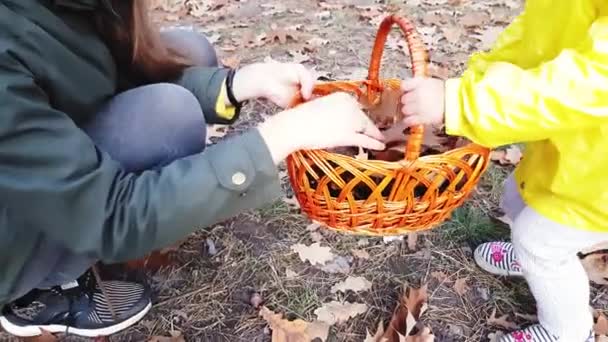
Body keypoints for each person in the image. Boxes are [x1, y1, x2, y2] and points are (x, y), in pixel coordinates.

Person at [0, 0, 386, 338]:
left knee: (191, 49)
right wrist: (278, 138)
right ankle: (34, 289)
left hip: (43, 164)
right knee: (172, 114)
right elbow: (109, 215)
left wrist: (237, 84)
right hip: (18, 234)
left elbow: (104, 76)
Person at [399, 0, 607, 341]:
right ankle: (532, 259)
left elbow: (587, 84)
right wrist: (478, 81)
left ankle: (566, 330)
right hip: (579, 146)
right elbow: (536, 35)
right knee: (519, 197)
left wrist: (462, 103)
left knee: (539, 241)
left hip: (599, 180)